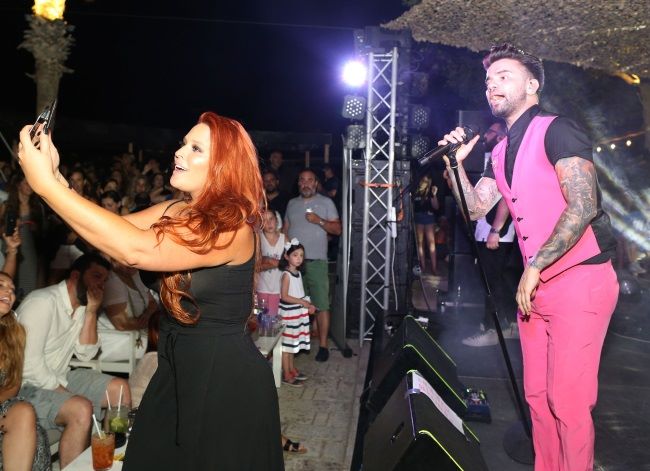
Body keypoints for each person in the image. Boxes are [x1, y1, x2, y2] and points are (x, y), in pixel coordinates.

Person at [17, 111, 284, 470]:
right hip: (174, 371)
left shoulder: (232, 226)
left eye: (196, 148)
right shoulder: (176, 209)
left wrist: (45, 186)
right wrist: (54, 176)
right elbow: (112, 235)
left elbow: (135, 250)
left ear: (224, 165)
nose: (179, 152)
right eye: (183, 144)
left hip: (224, 378)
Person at [439, 44, 618, 470]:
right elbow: (476, 208)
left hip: (580, 279)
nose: (492, 85)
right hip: (535, 289)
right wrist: (453, 165)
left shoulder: (559, 130)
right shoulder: (500, 150)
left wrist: (535, 264)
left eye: (504, 76)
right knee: (537, 397)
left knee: (568, 402)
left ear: (532, 84)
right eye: (488, 80)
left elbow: (583, 205)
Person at [16, 253, 130, 468]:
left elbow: (86, 353)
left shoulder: (82, 306)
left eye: (104, 280)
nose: (101, 285)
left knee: (120, 389)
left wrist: (91, 312)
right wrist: (67, 393)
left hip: (59, 376)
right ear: (76, 276)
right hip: (25, 387)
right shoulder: (42, 302)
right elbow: (29, 367)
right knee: (81, 408)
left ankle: (114, 457)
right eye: (96, 276)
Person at [460, 121, 521, 347]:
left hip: (498, 234)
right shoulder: (493, 155)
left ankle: (493, 329)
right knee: (497, 281)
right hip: (489, 230)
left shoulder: (506, 155)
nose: (485, 135)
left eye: (491, 132)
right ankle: (504, 325)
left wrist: (496, 230)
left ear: (501, 136)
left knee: (492, 283)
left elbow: (506, 195)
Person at [283, 168, 342, 362]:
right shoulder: (292, 203)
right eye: (302, 180)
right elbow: (285, 230)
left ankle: (323, 346)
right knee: (296, 304)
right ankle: (297, 344)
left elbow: (338, 229)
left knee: (321, 304)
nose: (306, 183)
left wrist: (319, 221)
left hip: (317, 262)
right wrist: (285, 253)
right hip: (294, 267)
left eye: (310, 180)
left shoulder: (326, 202)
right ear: (298, 183)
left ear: (316, 183)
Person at [0, 271, 51, 471]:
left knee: (24, 412)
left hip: (3, 407)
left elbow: (13, 384)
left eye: (12, 289)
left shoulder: (14, 333)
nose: (9, 292)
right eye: (1, 285)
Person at [277, 239, 316, 387]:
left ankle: (291, 369)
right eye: (295, 255)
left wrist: (308, 304)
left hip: (296, 314)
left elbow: (299, 294)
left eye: (301, 255)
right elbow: (284, 296)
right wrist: (302, 302)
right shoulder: (286, 275)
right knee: (286, 347)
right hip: (288, 315)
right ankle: (286, 374)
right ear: (286, 256)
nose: (299, 258)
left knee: (293, 344)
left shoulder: (297, 273)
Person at [256, 209, 285, 318]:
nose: (268, 223)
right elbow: (256, 266)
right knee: (261, 319)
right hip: (261, 287)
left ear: (276, 220)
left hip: (279, 288)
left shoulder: (284, 239)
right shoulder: (258, 239)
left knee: (274, 320)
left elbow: (290, 263)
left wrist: (267, 260)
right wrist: (272, 261)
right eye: (264, 220)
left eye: (271, 219)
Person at [412, 173, 439, 276]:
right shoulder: (416, 192)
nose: (423, 183)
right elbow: (412, 206)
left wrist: (434, 195)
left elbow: (436, 207)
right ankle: (423, 267)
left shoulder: (431, 192)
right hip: (418, 218)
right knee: (420, 243)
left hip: (428, 218)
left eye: (426, 181)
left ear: (429, 183)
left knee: (431, 243)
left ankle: (434, 268)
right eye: (423, 181)